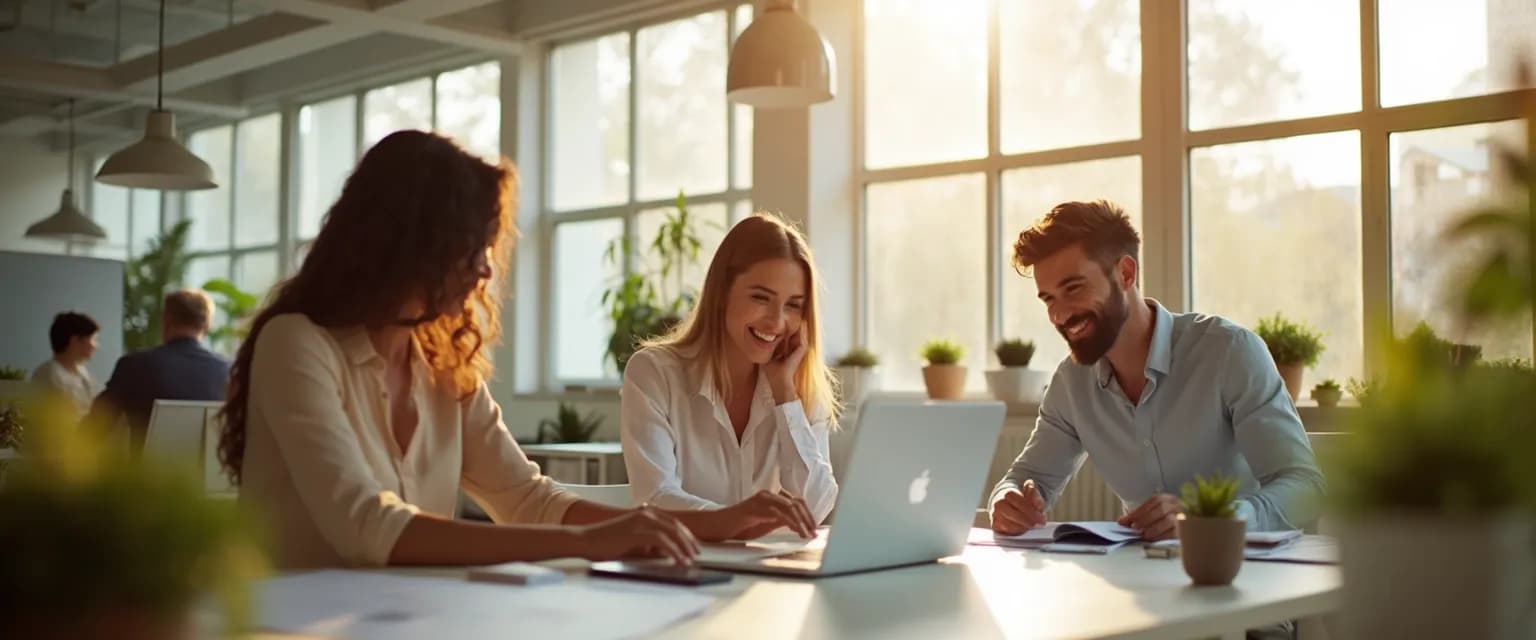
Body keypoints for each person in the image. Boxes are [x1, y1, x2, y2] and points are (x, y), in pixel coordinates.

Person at [217, 130, 814, 569]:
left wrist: (708, 523)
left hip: (406, 619)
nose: (483, 269)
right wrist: (586, 542)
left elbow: (526, 497)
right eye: (466, 246)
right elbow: (365, 526)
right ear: (402, 243)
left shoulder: (443, 367)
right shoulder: (296, 344)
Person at [989, 200, 1325, 541]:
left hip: (1247, 567)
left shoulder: (1229, 352)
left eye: (1073, 289)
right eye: (1048, 299)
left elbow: (1305, 488)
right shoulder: (1071, 383)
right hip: (1143, 575)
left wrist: (1210, 518)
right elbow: (1027, 478)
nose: (1060, 316)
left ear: (1125, 274)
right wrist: (1006, 502)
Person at [621, 213, 840, 526]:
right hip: (687, 567)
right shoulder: (654, 373)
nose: (777, 322)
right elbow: (655, 498)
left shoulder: (798, 384)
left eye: (793, 305)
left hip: (768, 571)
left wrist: (785, 396)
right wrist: (736, 520)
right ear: (722, 292)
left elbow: (816, 507)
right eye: (761, 298)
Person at [83, 289, 230, 456]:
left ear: (166, 319)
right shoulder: (228, 370)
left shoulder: (134, 365)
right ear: (207, 325)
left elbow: (94, 429)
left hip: (148, 479)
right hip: (210, 480)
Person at [32, 311, 99, 418]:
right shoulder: (47, 375)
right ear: (75, 340)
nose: (95, 346)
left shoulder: (84, 374)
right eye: (93, 339)